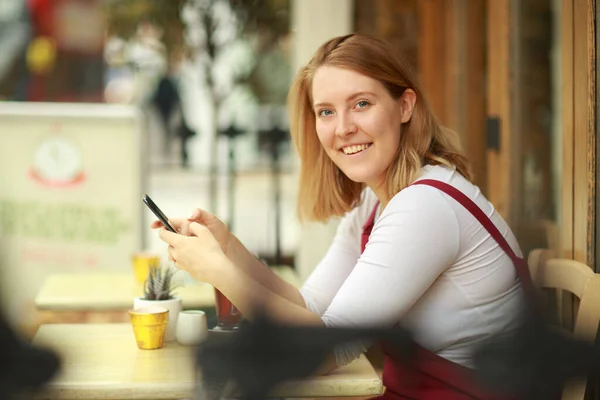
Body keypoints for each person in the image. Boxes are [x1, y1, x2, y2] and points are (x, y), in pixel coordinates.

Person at [153, 33, 532, 399]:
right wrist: (228, 248)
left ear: (405, 106)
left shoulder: (425, 207)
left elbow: (325, 350)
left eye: (362, 104)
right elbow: (311, 308)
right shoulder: (377, 200)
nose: (343, 128)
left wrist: (217, 271)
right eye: (326, 112)